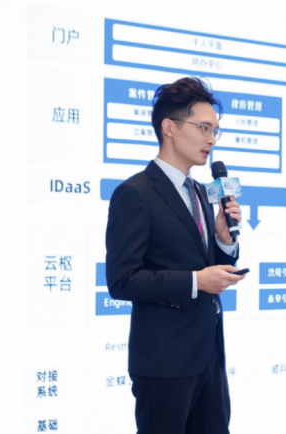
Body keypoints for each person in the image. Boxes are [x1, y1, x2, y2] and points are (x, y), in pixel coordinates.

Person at [105, 76, 245, 434]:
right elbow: (122, 280)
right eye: (203, 128)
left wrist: (224, 242)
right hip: (164, 361)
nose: (212, 139)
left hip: (209, 354)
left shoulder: (200, 190)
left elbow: (208, 266)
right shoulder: (135, 193)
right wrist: (196, 281)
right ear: (169, 127)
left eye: (215, 131)